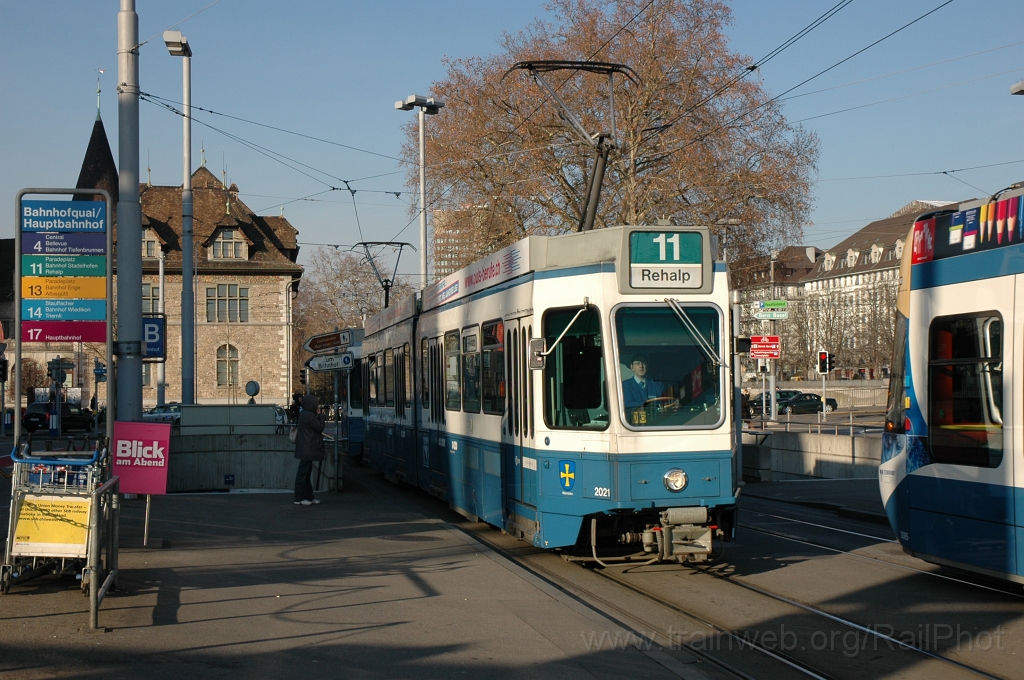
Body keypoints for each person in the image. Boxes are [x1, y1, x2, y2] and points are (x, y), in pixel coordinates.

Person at [294, 394, 326, 506]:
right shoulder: (310, 416)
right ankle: (300, 497)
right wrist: (321, 416)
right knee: (304, 474)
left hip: (305, 447)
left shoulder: (304, 414)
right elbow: (320, 427)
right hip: (308, 448)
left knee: (305, 473)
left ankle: (307, 496)